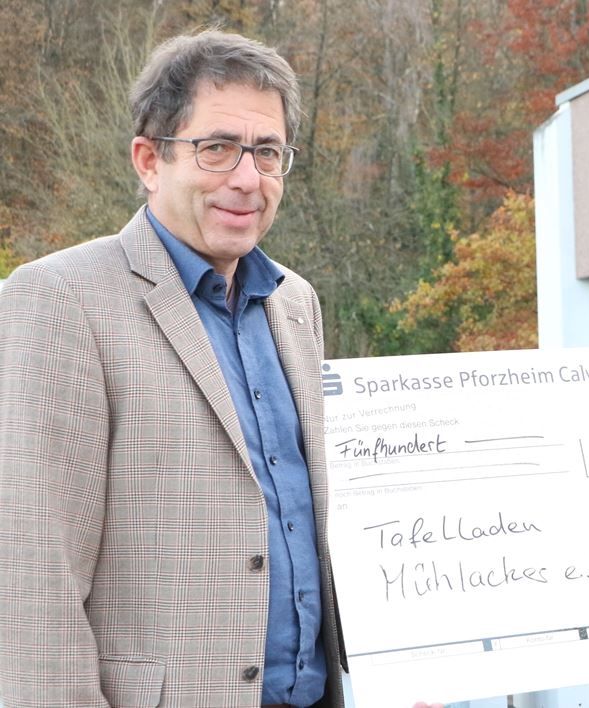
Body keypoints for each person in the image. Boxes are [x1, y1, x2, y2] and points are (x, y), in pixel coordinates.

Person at [0, 31, 343, 707]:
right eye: (217, 149)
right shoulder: (60, 298)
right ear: (149, 159)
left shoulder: (296, 304)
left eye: (267, 153)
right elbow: (32, 575)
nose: (247, 178)